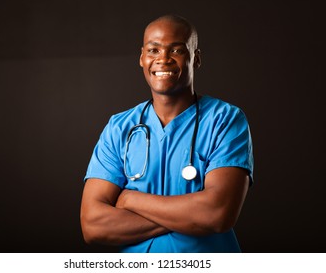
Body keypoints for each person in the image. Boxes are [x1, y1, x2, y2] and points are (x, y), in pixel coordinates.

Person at [80, 14, 254, 253]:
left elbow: (217, 213)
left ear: (196, 58)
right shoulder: (119, 128)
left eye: (177, 50)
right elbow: (93, 226)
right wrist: (189, 217)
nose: (163, 59)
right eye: (153, 50)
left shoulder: (224, 120)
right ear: (141, 58)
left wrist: (131, 200)